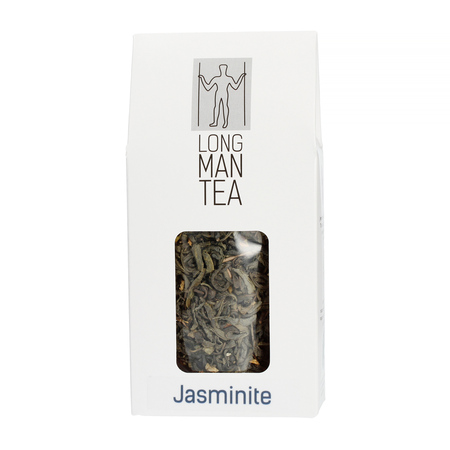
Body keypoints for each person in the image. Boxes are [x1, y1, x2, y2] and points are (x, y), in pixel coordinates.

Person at [199, 64, 246, 128]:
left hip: (224, 93)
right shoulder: (216, 78)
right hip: (218, 93)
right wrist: (202, 78)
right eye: (222, 69)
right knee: (216, 107)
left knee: (225, 106)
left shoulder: (229, 78)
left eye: (224, 69)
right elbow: (208, 87)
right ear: (220, 69)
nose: (223, 70)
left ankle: (225, 122)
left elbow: (235, 86)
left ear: (226, 69)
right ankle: (215, 122)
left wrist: (241, 77)